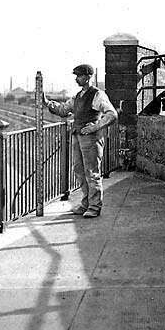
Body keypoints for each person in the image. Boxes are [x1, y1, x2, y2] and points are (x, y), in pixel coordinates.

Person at [43, 64, 118, 218]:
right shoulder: (77, 96)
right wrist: (46, 102)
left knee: (92, 172)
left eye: (79, 76)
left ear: (88, 77)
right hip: (78, 136)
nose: (77, 79)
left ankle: (95, 207)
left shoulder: (97, 95)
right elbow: (63, 110)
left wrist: (95, 127)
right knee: (79, 170)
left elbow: (112, 114)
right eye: (76, 76)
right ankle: (85, 203)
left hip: (91, 138)